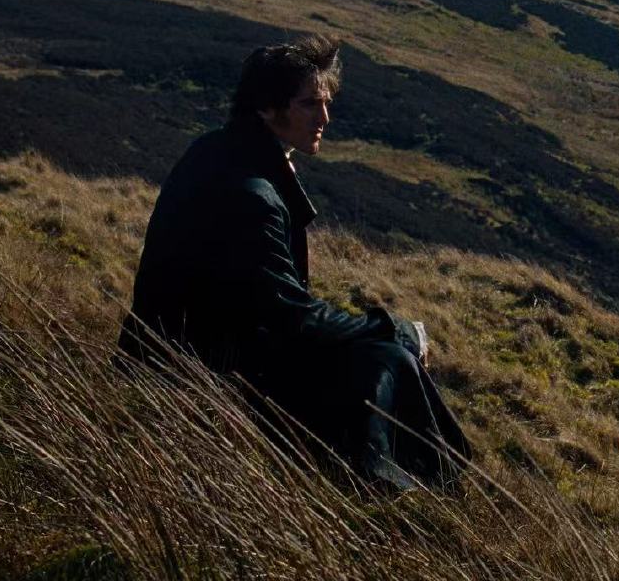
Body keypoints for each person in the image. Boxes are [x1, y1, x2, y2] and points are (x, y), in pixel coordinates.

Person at [118, 34, 468, 491]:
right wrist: (395, 330)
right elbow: (288, 315)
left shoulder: (216, 149)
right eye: (309, 104)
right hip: (200, 370)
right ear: (266, 108)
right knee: (386, 357)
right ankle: (399, 489)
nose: (325, 117)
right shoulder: (251, 197)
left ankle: (396, 481)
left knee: (373, 352)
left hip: (182, 351)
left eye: (325, 102)